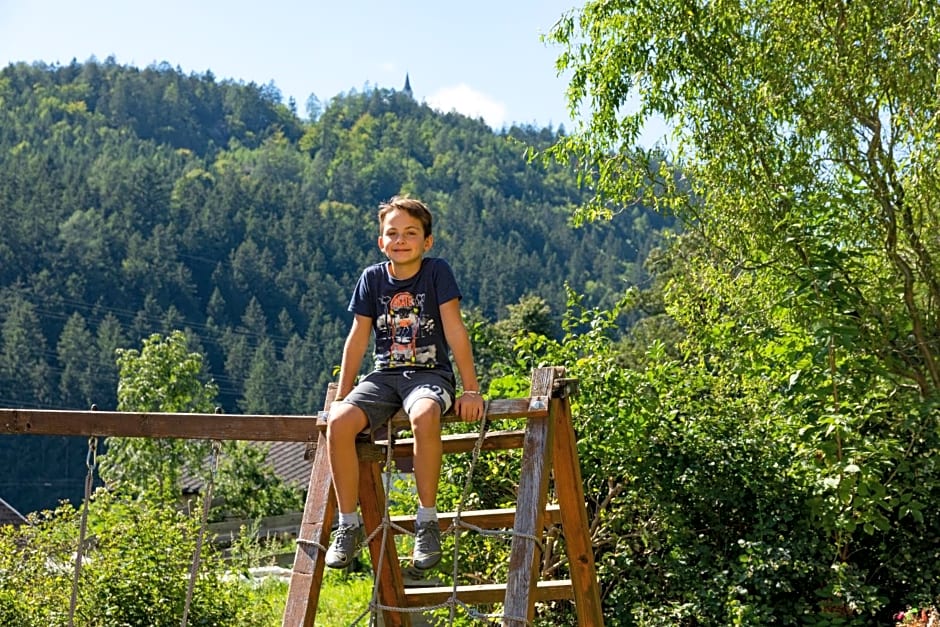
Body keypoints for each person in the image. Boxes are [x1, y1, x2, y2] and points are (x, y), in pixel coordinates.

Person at [324, 195, 485, 571]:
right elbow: (358, 337)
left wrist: (471, 389)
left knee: (425, 414)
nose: (401, 240)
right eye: (392, 233)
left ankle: (426, 521)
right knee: (338, 423)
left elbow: (455, 330)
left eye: (411, 233)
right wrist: (343, 394)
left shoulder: (436, 272)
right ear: (381, 242)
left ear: (427, 241)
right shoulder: (372, 278)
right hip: (384, 377)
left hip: (431, 375)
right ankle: (348, 524)